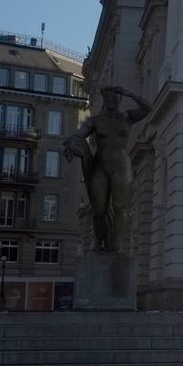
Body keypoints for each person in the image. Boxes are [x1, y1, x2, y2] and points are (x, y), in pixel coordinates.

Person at [62, 85, 151, 253]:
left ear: (120, 99)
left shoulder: (127, 117)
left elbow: (148, 108)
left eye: (115, 97)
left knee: (121, 208)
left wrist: (131, 92)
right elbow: (79, 134)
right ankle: (99, 241)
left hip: (121, 166)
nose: (112, 100)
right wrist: (70, 143)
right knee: (99, 210)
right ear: (105, 99)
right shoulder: (95, 121)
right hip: (100, 167)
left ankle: (116, 245)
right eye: (109, 97)